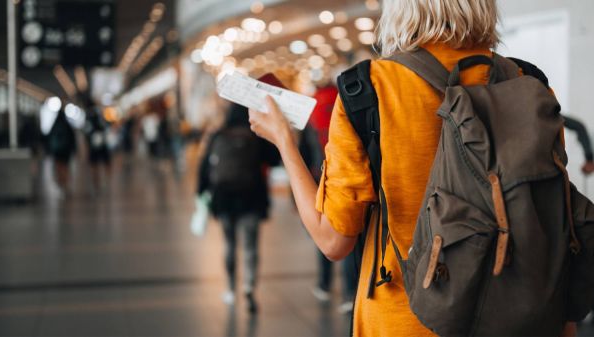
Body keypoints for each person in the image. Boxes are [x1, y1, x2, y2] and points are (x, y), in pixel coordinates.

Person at [247, 0, 576, 336]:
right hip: (523, 316)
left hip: (404, 320)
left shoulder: (369, 89)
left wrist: (284, 142)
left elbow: (333, 241)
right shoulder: (529, 85)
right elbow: (554, 214)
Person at [198, 103, 280, 314]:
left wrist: (201, 192)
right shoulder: (255, 136)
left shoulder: (218, 135)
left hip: (224, 198)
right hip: (251, 198)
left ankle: (230, 290)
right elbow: (275, 159)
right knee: (251, 246)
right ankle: (249, 287)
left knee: (230, 244)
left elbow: (205, 167)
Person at [299, 84, 358, 312]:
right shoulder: (346, 101)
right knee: (347, 234)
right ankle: (349, 293)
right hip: (345, 177)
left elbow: (303, 151)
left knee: (323, 232)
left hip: (317, 179)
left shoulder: (311, 108)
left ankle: (324, 284)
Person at [84, 99, 112, 193]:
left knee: (94, 165)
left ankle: (97, 183)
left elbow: (86, 132)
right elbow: (107, 126)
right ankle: (107, 181)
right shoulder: (101, 113)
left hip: (93, 144)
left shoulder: (88, 116)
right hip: (103, 142)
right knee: (106, 163)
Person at [46, 107, 76, 195]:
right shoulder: (67, 125)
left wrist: (49, 150)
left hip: (57, 151)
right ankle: (65, 184)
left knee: (58, 167)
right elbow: (72, 139)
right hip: (66, 151)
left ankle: (60, 183)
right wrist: (74, 149)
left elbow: (49, 138)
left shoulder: (54, 125)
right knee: (65, 167)